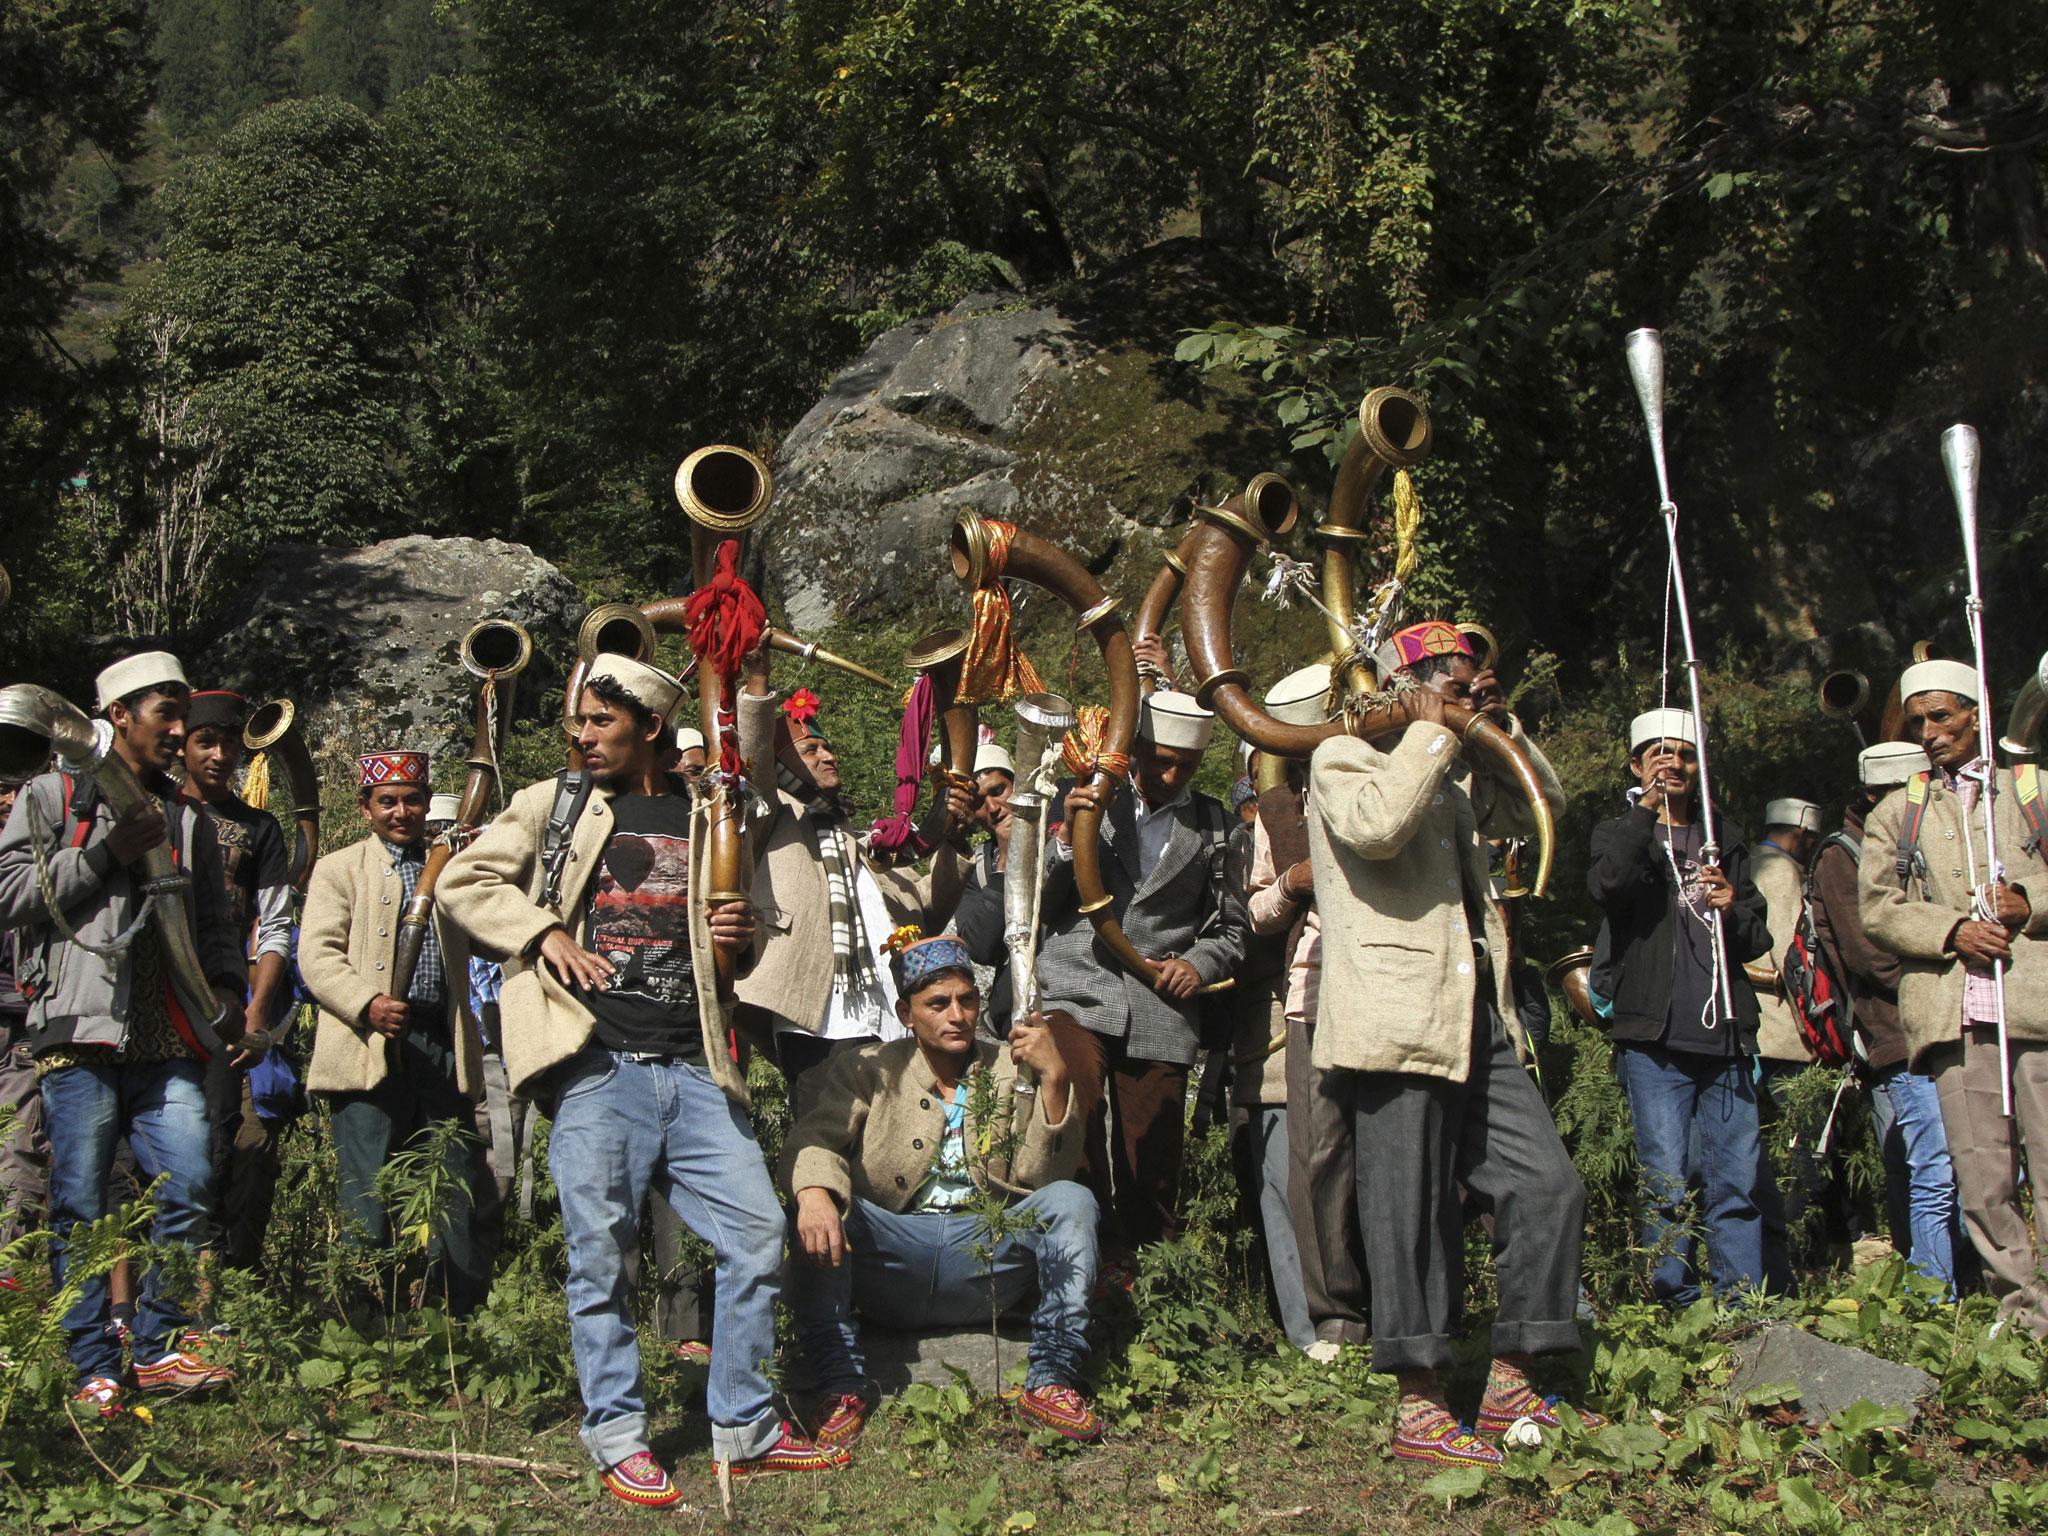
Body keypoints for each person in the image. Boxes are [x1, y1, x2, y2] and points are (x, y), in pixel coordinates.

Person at [439, 653, 844, 1504]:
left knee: (757, 1235)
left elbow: (745, 938)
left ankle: (743, 1425)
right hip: (596, 1067)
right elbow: (465, 880)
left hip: (698, 1065)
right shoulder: (556, 806)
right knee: (601, 1259)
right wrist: (543, 931)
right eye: (578, 723)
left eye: (601, 723)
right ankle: (619, 1434)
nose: (582, 737)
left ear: (651, 727)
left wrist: (744, 925)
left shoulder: (708, 812)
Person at [1314, 622, 1595, 1468]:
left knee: (1548, 1184)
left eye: (1477, 683)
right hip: (1398, 1015)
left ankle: (1513, 1373)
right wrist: (1437, 728)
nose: (1471, 694)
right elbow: (1375, 829)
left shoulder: (1455, 770)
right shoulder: (1342, 757)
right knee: (1409, 1212)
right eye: (1455, 682)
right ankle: (1420, 1404)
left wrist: (1499, 731)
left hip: (1479, 1012)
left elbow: (1544, 805)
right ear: (1405, 686)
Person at [0, 652, 248, 1414]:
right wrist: (107, 853)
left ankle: (160, 1347)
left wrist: (231, 987)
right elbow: (11, 894)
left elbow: (214, 923)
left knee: (186, 1185)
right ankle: (90, 1366)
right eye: (164, 714)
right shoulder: (50, 795)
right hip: (80, 1033)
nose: (180, 730)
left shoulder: (188, 818)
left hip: (169, 1038)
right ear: (117, 718)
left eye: (183, 715)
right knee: (80, 1203)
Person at [783, 930, 1103, 1445]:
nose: (957, 1015)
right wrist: (816, 1193)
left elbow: (1044, 1181)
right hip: (894, 1256)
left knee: (1073, 1202)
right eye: (937, 1003)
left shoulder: (1009, 1066)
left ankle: (1052, 1378)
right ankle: (839, 1379)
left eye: (967, 1000)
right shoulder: (867, 1069)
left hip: (984, 1256)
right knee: (824, 1202)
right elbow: (815, 1140)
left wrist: (1054, 1082)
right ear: (906, 1014)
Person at [1860, 658, 2048, 1334]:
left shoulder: (2032, 791)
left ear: (1977, 714)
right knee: (1979, 1174)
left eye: (1942, 716)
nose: (1931, 732)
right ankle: (2023, 1310)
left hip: (2037, 1006)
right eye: (1918, 721)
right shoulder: (1897, 812)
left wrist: (2030, 901)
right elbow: (1877, 909)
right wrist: (1953, 930)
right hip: (1952, 1014)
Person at [1037, 689, 1248, 1258]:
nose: (1173, 772)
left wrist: (1197, 964)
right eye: (1161, 758)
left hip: (1161, 1003)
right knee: (1073, 1118)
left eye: (1188, 764)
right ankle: (1079, 1262)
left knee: (1152, 1155)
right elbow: (1037, 902)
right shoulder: (1082, 796)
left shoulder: (1216, 825)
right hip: (1076, 986)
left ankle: (1152, 1280)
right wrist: (1064, 840)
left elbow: (1231, 929)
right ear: (1135, 750)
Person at [1590, 706, 1776, 1307]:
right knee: (1667, 1182)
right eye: (1658, 753)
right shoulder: (1622, 833)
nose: (1673, 764)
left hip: (1724, 1033)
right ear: (1636, 765)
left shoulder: (1726, 837)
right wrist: (1644, 810)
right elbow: (1609, 886)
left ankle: (1741, 1303)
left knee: (1736, 1182)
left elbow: (1756, 937)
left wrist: (1731, 905)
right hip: (1655, 1037)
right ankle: (1675, 1303)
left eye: (1685, 754)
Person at [299, 748, 488, 1314]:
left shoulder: (453, 866)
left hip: (440, 1040)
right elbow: (317, 955)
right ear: (365, 807)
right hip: (366, 1046)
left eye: (412, 800)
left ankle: (453, 1316)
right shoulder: (339, 868)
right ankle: (359, 1319)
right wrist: (368, 1003)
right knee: (368, 1187)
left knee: (448, 1179)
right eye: (387, 801)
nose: (400, 811)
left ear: (428, 805)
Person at [735, 654, 970, 1099]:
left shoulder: (865, 842)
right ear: (782, 767)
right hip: (818, 1021)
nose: (827, 754)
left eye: (826, 747)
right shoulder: (773, 820)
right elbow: (753, 762)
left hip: (892, 1017)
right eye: (810, 750)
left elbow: (926, 912)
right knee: (829, 1146)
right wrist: (759, 679)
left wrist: (955, 838)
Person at [1810, 740, 1966, 1293]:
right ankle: (1934, 1296)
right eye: (1906, 792)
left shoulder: (1913, 839)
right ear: (1875, 794)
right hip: (1897, 1034)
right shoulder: (1841, 856)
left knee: (1967, 1165)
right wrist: (1957, 952)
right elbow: (1870, 955)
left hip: (1947, 1024)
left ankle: (1965, 1287)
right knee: (1934, 1169)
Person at [1241, 666, 1338, 1357]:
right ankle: (1320, 1333)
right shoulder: (1268, 818)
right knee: (1303, 1174)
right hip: (1291, 1019)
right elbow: (1251, 913)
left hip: (1374, 999)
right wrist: (1290, 886)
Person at [179, 690, 293, 1271]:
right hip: (161, 1005)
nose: (220, 755)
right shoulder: (158, 812)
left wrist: (254, 1012)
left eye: (229, 744)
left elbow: (272, 927)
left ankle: (214, 1287)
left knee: (222, 1142)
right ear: (182, 745)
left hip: (224, 1011)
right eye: (207, 741)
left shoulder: (259, 829)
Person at [0, 780, 43, 1262]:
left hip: (22, 1029)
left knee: (19, 1152)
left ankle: (11, 1282)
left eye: (16, 789)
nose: (10, 803)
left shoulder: (38, 853)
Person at [953, 741, 1017, 1036]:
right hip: (1012, 1015)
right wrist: (1004, 861)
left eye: (998, 791)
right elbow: (979, 946)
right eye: (978, 802)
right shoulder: (978, 868)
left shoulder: (1067, 836)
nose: (993, 808)